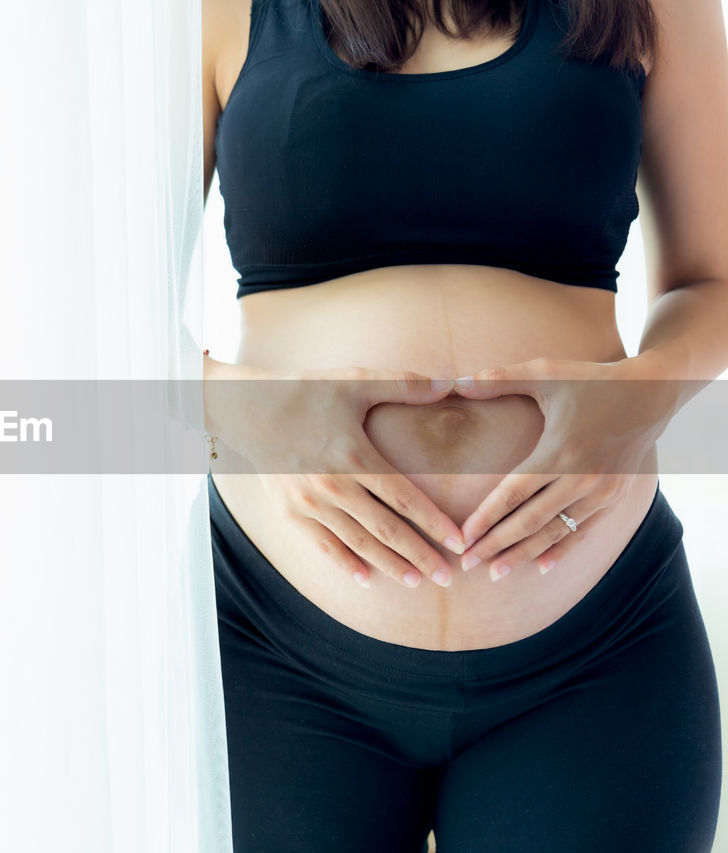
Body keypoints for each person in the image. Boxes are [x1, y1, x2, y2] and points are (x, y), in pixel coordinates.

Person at [199, 0, 728, 849]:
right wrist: (243, 406)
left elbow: (713, 278)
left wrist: (643, 394)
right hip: (274, 651)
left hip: (598, 656)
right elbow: (87, 307)